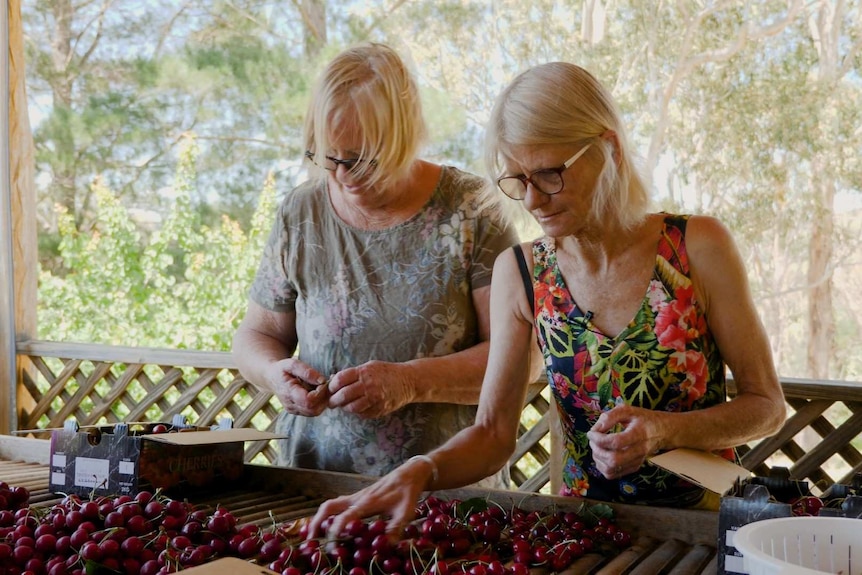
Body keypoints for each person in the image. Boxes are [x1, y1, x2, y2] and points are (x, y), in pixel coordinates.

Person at [307, 61, 787, 540]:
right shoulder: (522, 273)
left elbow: (766, 405)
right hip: (589, 534)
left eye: (549, 174)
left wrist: (663, 430)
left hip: (710, 529)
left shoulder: (697, 247)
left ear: (609, 148)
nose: (533, 200)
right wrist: (421, 470)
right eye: (516, 180)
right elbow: (493, 436)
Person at [231, 42, 520, 486]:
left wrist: (411, 382)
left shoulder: (473, 209)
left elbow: (520, 359)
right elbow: (258, 334)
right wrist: (274, 374)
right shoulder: (300, 213)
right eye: (329, 157)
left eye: (363, 160)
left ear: (404, 138)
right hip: (315, 486)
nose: (344, 176)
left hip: (444, 496)